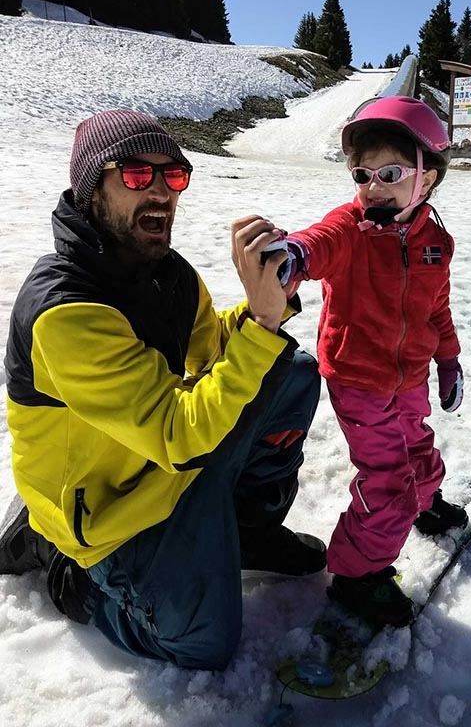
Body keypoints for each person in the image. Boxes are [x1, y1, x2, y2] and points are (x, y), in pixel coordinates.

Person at [0, 109, 325, 670]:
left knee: (289, 372)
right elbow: (177, 432)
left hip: (158, 468)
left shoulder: (164, 272)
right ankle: (58, 561)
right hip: (108, 512)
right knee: (203, 644)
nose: (159, 192)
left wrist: (262, 305)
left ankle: (245, 532)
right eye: (134, 175)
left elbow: (211, 347)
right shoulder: (65, 311)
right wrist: (261, 327)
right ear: (89, 188)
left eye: (172, 177)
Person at [277, 96, 467, 627]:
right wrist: (295, 254)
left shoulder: (436, 242)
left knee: (418, 441)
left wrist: (448, 361)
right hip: (359, 381)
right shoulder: (351, 228)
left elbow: (438, 308)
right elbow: (321, 241)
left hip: (409, 375)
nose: (373, 187)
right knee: (386, 481)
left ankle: (427, 502)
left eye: (389, 172)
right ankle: (358, 577)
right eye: (362, 174)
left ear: (427, 180)